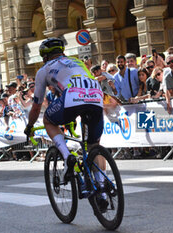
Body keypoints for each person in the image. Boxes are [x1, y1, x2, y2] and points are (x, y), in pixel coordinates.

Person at [23, 38, 107, 210]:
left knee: (48, 119)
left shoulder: (44, 70)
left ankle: (66, 155)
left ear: (44, 56)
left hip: (71, 98)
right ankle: (103, 191)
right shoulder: (77, 61)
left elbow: (37, 105)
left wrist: (30, 126)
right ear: (62, 51)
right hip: (96, 97)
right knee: (93, 146)